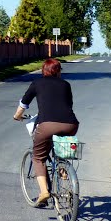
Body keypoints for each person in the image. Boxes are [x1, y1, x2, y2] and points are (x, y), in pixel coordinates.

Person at [13, 58, 78, 207]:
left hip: (47, 124)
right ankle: (64, 173)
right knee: (61, 150)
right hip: (71, 124)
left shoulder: (37, 83)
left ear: (44, 70)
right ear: (58, 71)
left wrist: (17, 116)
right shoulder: (66, 85)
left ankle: (44, 192)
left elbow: (24, 103)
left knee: (38, 157)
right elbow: (69, 104)